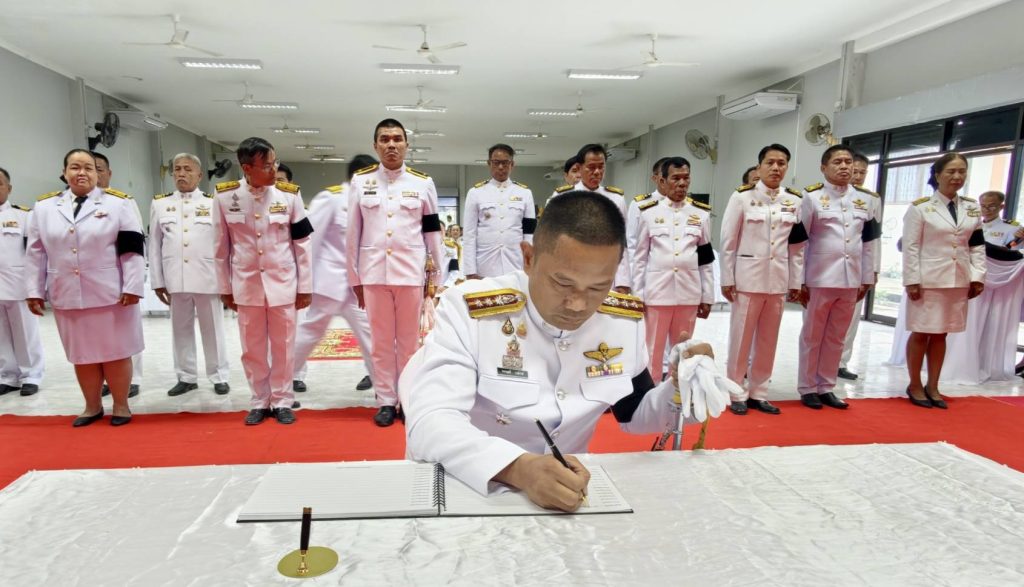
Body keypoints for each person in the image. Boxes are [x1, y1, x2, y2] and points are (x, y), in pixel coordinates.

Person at [400, 191, 706, 511]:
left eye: (598, 287)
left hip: (567, 498)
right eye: (563, 284)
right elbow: (431, 421)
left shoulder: (621, 321)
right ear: (529, 258)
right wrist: (518, 468)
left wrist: (680, 387)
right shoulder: (471, 311)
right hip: (473, 490)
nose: (578, 305)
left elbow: (635, 415)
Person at [25, 149, 145, 426]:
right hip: (67, 292)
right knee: (82, 355)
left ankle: (121, 406)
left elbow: (132, 249)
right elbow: (35, 253)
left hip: (112, 294)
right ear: (64, 172)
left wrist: (133, 286)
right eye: (75, 167)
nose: (82, 173)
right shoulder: (44, 208)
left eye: (89, 168)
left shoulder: (119, 204)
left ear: (97, 173)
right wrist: (34, 290)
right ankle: (92, 407)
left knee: (116, 352)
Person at [347, 119, 445, 427]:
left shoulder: (422, 183)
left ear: (406, 145)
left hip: (410, 274)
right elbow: (352, 233)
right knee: (380, 343)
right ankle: (386, 401)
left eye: (397, 139)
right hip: (374, 274)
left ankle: (407, 398)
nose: (391, 144)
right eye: (385, 139)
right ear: (375, 145)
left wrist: (437, 280)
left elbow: (433, 233)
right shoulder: (361, 182)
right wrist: (355, 278)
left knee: (408, 343)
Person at [214, 137, 313, 425]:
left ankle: (281, 400)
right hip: (246, 286)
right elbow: (220, 248)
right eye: (267, 166)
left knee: (284, 346)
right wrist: (224, 288)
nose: (274, 170)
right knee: (252, 349)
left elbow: (303, 245)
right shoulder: (224, 197)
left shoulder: (289, 196)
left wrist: (305, 286)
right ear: (247, 168)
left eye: (274, 163)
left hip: (284, 284)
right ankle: (259, 400)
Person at [719, 143, 808, 415]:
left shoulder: (794, 200)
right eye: (770, 162)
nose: (776, 168)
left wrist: (795, 282)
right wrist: (727, 278)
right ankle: (736, 391)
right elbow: (728, 241)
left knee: (768, 340)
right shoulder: (742, 197)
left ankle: (759, 392)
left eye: (782, 163)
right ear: (759, 167)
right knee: (741, 339)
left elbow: (797, 247)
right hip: (748, 280)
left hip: (778, 280)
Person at [796, 146, 880, 410]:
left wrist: (867, 277)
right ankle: (808, 387)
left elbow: (870, 242)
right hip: (819, 277)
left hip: (850, 278)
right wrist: (798, 280)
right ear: (824, 168)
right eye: (837, 162)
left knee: (837, 336)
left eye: (848, 161)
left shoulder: (865, 200)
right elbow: (799, 242)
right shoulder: (811, 197)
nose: (844, 166)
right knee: (812, 336)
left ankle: (826, 386)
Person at [901, 152, 986, 409]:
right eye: (951, 171)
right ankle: (915, 384)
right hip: (928, 280)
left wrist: (978, 276)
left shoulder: (971, 207)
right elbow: (910, 247)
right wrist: (912, 280)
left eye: (962, 171)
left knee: (941, 334)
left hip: (958, 279)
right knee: (921, 331)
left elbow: (976, 245)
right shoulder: (921, 208)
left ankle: (933, 385)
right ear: (937, 175)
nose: (957, 176)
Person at [292, 154, 377, 395]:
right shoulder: (332, 199)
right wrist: (304, 281)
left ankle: (386, 393)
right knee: (309, 334)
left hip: (357, 287)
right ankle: (278, 383)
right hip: (329, 282)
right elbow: (311, 240)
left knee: (371, 337)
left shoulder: (371, 202)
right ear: (357, 176)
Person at [149, 153, 231, 397]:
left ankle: (219, 375)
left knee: (213, 329)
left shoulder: (213, 202)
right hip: (175, 277)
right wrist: (157, 281)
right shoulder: (160, 204)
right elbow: (154, 245)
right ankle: (186, 376)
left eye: (187, 169)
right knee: (180, 330)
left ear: (199, 175)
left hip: (207, 276)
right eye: (177, 169)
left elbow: (224, 243)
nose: (181, 173)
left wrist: (227, 280)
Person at [632, 156, 714, 382]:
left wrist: (707, 295)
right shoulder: (648, 212)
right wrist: (637, 295)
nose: (682, 183)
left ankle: (676, 393)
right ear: (663, 181)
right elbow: (639, 259)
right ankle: (651, 394)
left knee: (683, 351)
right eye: (676, 178)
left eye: (686, 178)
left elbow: (705, 259)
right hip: (657, 293)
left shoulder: (700, 213)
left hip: (688, 293)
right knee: (652, 350)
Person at [94, 151, 143, 398]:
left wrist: (133, 283)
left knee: (126, 334)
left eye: (98, 169)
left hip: (119, 279)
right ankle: (106, 380)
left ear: (109, 173)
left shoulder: (122, 201)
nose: (93, 174)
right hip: (91, 283)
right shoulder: (70, 204)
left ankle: (133, 379)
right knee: (98, 336)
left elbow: (135, 243)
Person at [549, 144, 631, 293]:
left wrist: (623, 281)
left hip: (605, 273)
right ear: (579, 167)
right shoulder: (563, 196)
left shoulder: (616, 199)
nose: (597, 172)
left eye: (601, 167)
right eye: (591, 167)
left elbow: (622, 243)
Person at [837, 152, 882, 381]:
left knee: (852, 318)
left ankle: (841, 362)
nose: (858, 176)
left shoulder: (871, 199)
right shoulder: (823, 195)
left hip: (857, 266)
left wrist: (873, 269)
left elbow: (874, 238)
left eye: (863, 172)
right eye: (855, 171)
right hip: (828, 266)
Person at [462, 144, 536, 279]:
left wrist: (530, 264)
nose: (501, 167)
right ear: (489, 163)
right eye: (496, 163)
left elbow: (529, 234)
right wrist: (470, 270)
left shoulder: (525, 193)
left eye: (505, 163)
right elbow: (469, 235)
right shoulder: (475, 193)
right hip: (485, 262)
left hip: (516, 261)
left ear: (512, 164)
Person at [0, 167, 44, 397]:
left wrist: (35, 287)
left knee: (26, 333)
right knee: (1, 335)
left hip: (18, 284)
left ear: (9, 188)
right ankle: (7, 376)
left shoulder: (23, 216)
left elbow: (35, 254)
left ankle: (31, 375)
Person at [625, 157, 669, 274]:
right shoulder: (640, 204)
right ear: (655, 178)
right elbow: (632, 242)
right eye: (665, 174)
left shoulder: (688, 206)